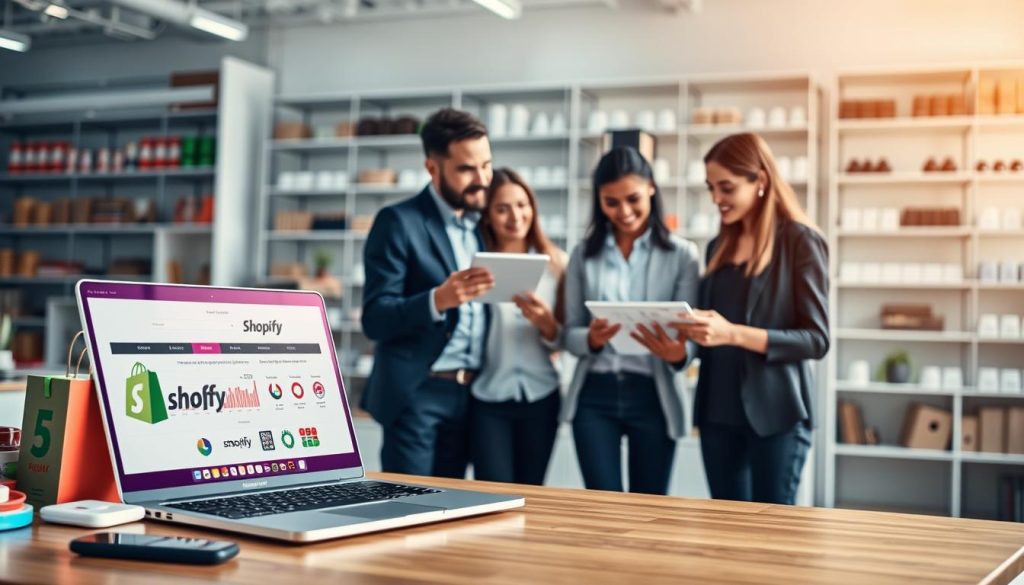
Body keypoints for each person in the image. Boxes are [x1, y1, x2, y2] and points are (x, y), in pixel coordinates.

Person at [674, 132, 829, 505]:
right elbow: (704, 337)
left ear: (759, 180)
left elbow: (815, 340)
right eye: (711, 188)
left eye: (726, 188)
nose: (716, 199)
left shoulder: (800, 241)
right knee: (726, 534)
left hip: (777, 414)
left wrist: (733, 334)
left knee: (772, 537)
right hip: (717, 413)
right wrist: (678, 349)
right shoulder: (717, 247)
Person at [360, 108, 495, 478]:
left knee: (456, 509)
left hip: (471, 395)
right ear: (432, 169)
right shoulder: (398, 222)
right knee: (410, 507)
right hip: (417, 392)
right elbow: (375, 317)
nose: (482, 179)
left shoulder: (481, 225)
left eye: (487, 165)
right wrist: (439, 299)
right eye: (467, 169)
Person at [562, 146, 701, 495]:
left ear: (652, 188)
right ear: (598, 200)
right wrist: (591, 339)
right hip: (595, 395)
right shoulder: (583, 254)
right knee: (603, 507)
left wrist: (677, 354)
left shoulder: (682, 255)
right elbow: (569, 333)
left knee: (648, 509)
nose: (623, 212)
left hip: (653, 395)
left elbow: (692, 339)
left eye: (633, 199)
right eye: (611, 202)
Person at [470, 168, 567, 485]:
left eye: (522, 205)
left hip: (542, 395)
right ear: (487, 216)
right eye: (502, 208)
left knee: (532, 491)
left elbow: (565, 338)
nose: (515, 216)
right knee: (493, 491)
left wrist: (546, 325)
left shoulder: (557, 265)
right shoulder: (474, 268)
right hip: (488, 397)